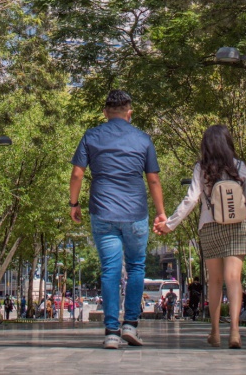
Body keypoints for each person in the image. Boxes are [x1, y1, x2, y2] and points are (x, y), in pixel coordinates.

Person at [69, 89, 166, 349]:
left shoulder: (91, 135)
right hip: (135, 213)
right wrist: (161, 213)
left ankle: (111, 331)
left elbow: (77, 174)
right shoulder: (143, 139)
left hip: (102, 211)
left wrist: (74, 204)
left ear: (105, 112)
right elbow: (153, 179)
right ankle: (131, 325)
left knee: (110, 270)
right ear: (129, 113)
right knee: (136, 267)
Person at [155, 124, 246, 349]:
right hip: (238, 226)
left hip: (210, 227)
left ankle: (216, 332)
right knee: (234, 279)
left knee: (216, 280)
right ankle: (235, 332)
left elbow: (191, 200)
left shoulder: (202, 168)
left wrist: (169, 225)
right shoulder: (239, 166)